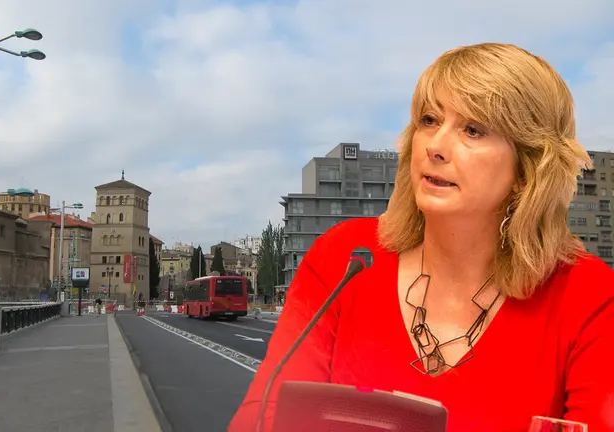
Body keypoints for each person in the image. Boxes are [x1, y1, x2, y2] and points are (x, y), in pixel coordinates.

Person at [229, 43, 614, 432]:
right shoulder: (346, 258)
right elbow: (266, 416)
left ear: (528, 169)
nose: (435, 146)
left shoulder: (588, 295)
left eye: (473, 130)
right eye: (429, 120)